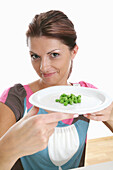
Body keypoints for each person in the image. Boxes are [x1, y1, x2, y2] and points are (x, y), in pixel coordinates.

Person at [0, 10, 113, 170]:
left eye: (54, 54)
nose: (43, 67)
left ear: (73, 51)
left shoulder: (87, 95)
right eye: (35, 56)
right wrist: (9, 148)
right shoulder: (16, 98)